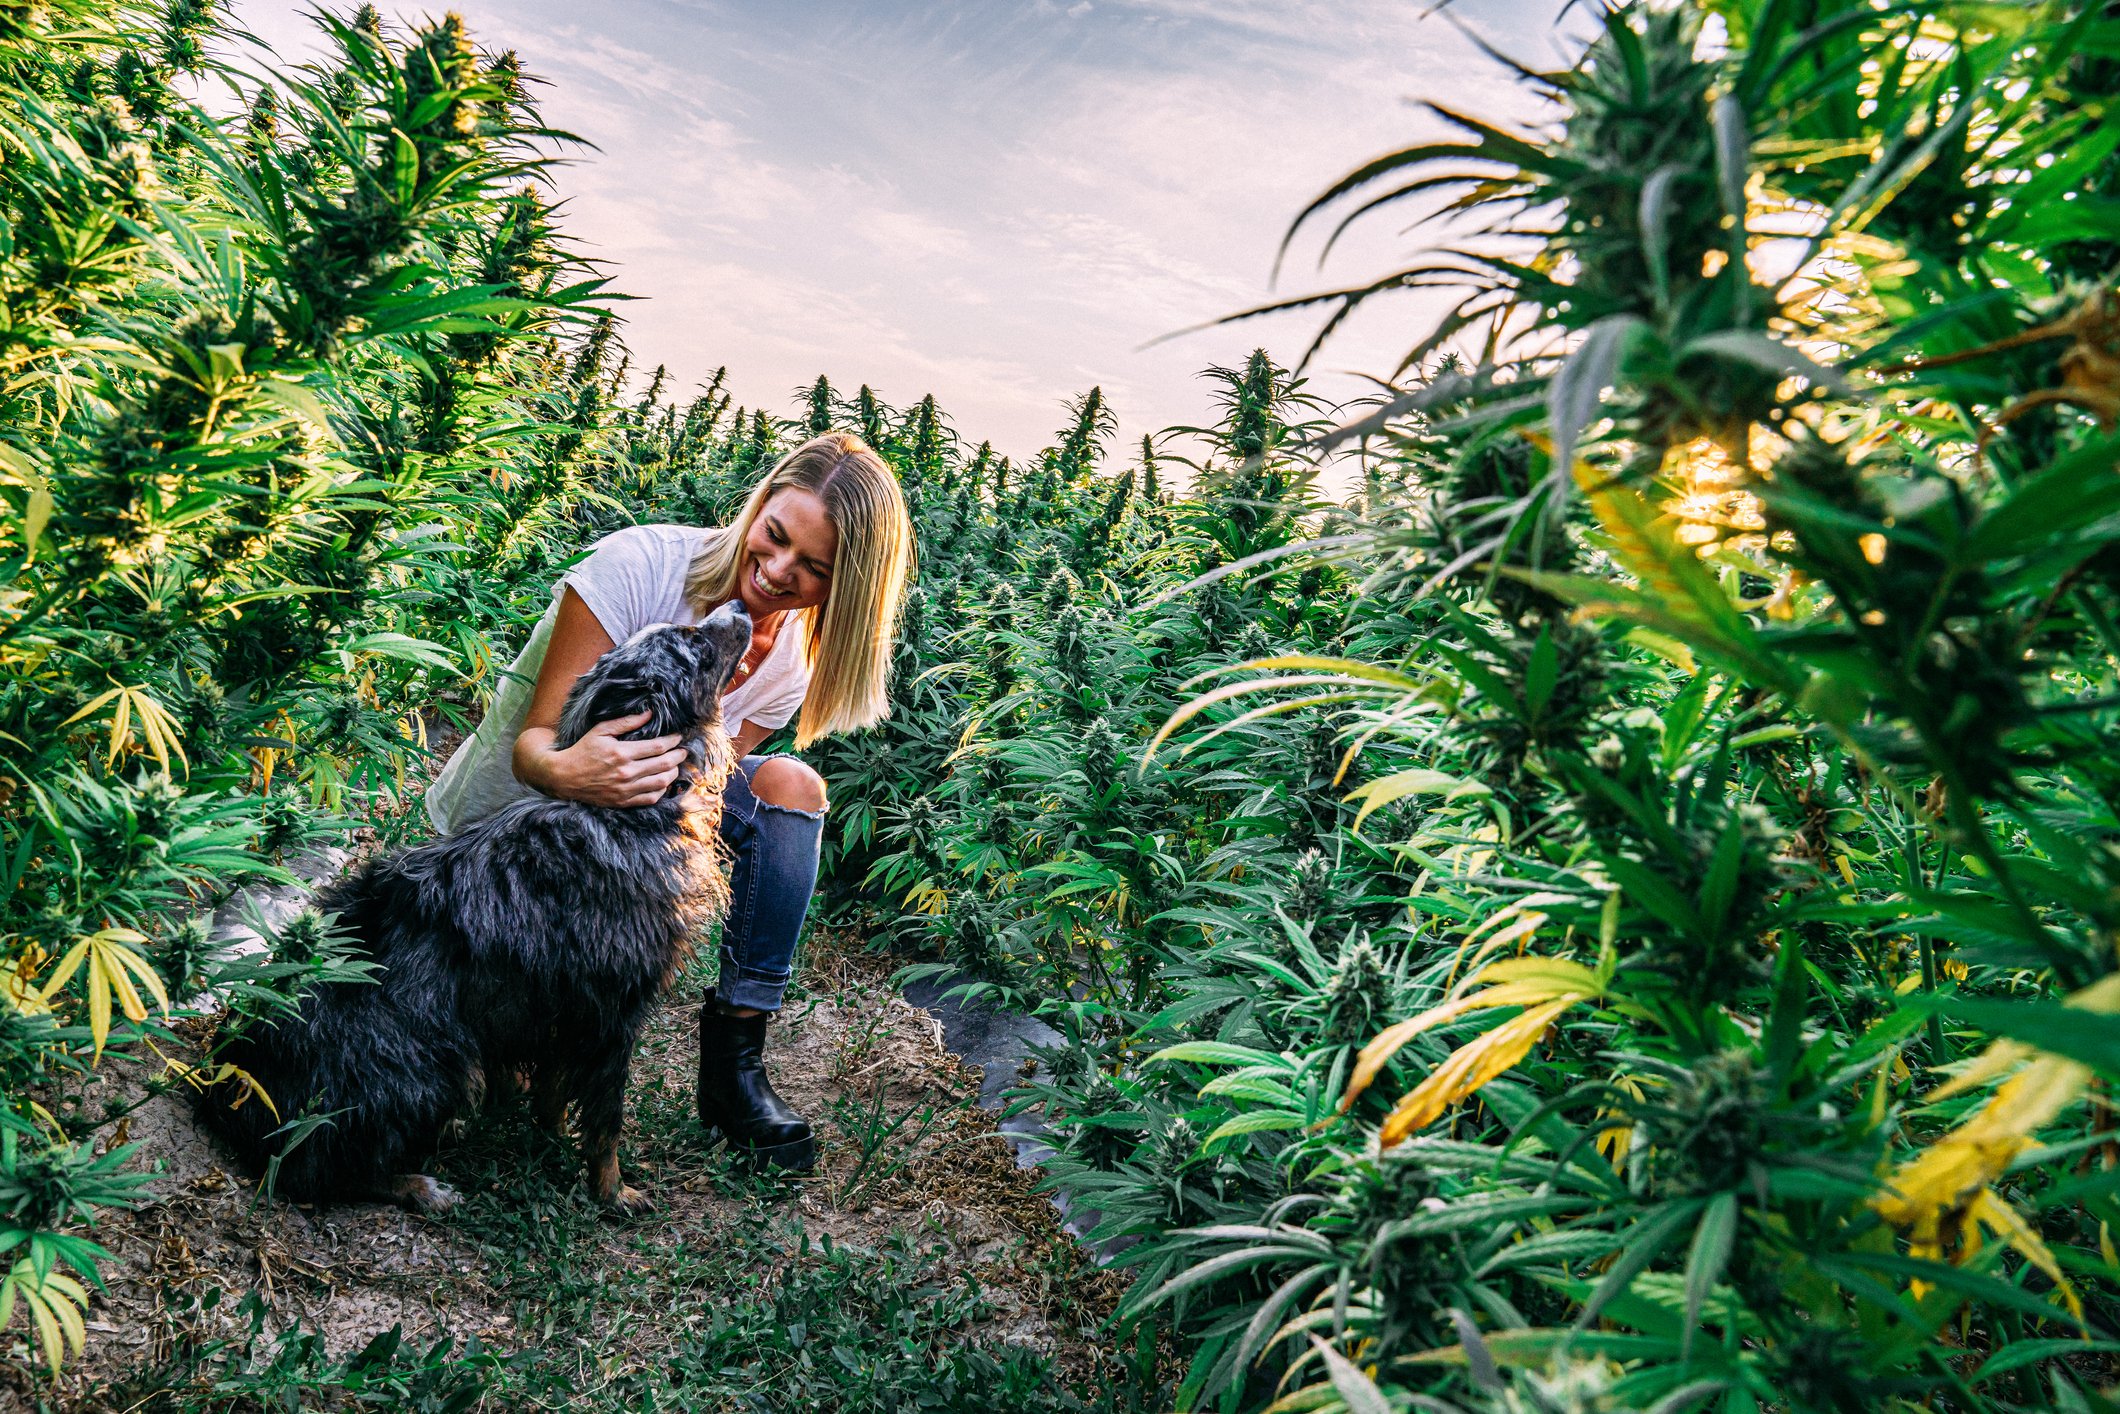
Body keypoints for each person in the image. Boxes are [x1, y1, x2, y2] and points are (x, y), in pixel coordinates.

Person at [423, 431, 913, 1172]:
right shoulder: (640, 564)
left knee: (791, 789)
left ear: (850, 584)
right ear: (758, 507)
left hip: (629, 825)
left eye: (814, 569)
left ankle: (735, 1064)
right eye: (773, 538)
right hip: (508, 829)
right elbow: (534, 747)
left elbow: (700, 795)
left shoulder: (792, 661)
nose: (777, 572)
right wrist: (573, 773)